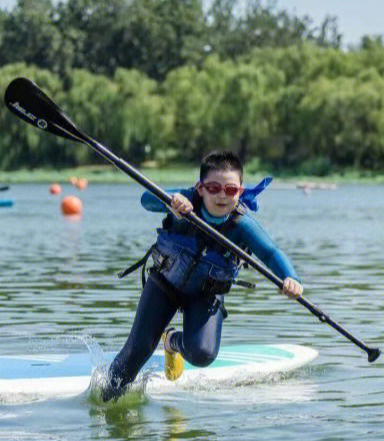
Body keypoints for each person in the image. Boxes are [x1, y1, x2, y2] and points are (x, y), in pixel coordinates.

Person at [102, 150, 303, 401]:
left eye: (230, 190)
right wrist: (169, 203)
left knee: (202, 354)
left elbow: (271, 253)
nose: (221, 195)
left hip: (205, 296)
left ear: (240, 191)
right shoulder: (184, 200)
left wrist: (291, 278)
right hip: (164, 284)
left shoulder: (242, 225)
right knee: (137, 352)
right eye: (214, 187)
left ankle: (172, 341)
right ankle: (104, 402)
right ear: (200, 188)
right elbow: (145, 199)